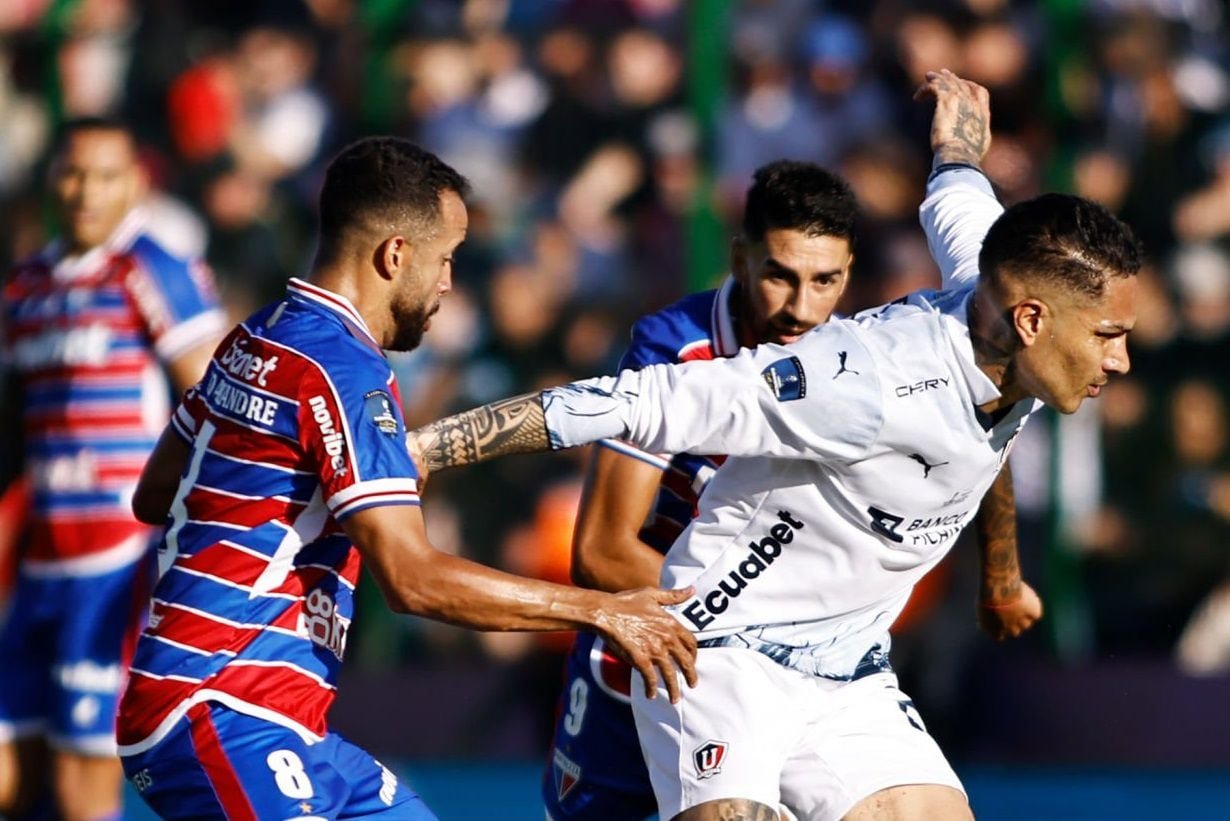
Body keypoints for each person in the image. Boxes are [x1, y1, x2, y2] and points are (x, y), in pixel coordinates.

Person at [410, 69, 1137, 821]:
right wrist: (428, 447)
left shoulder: (999, 284)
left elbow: (956, 196)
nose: (1120, 361)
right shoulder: (857, 380)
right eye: (1109, 337)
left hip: (851, 670)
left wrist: (957, 142)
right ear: (1029, 321)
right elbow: (624, 406)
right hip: (722, 653)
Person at [114, 136, 698, 820]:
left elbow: (156, 492)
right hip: (217, 703)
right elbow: (413, 579)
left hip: (287, 720)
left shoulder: (256, 338)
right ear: (395, 255)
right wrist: (599, 609)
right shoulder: (345, 369)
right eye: (444, 259)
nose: (449, 282)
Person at [543, 156, 1040, 819]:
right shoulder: (676, 348)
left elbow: (977, 434)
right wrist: (746, 626)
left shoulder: (862, 355)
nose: (801, 307)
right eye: (779, 275)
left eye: (825, 280)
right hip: (654, 655)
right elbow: (602, 552)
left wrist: (1001, 575)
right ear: (741, 257)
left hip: (792, 664)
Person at [0, 117, 226, 821]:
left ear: (135, 184)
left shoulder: (152, 269)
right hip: (41, 563)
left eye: (104, 176)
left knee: (79, 790)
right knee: (12, 782)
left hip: (116, 566)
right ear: (51, 181)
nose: (85, 191)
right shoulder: (24, 288)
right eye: (72, 174)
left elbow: (219, 398)